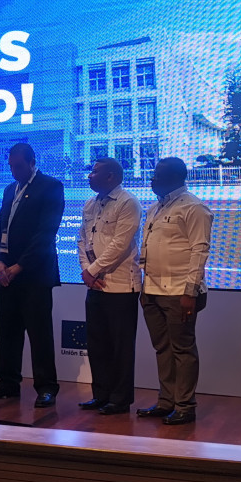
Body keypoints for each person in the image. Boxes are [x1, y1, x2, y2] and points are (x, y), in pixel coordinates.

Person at [0, 143, 65, 409]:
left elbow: (46, 233)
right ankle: (7, 382)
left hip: (34, 275)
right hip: (6, 273)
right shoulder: (10, 189)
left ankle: (46, 387)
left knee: (39, 334)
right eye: (11, 166)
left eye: (18, 166)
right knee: (7, 331)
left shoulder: (50, 186)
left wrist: (19, 267)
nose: (14, 171)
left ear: (32, 162)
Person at [136, 157, 212, 426]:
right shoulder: (155, 207)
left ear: (175, 177)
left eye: (158, 174)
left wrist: (190, 292)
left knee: (182, 349)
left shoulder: (194, 207)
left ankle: (185, 406)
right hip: (151, 289)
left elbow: (199, 250)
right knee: (162, 348)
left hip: (180, 292)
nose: (152, 178)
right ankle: (166, 401)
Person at [76, 158, 142, 416]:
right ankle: (100, 395)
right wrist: (87, 271)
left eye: (94, 172)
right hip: (95, 285)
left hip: (121, 286)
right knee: (97, 344)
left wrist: (91, 271)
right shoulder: (90, 203)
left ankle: (120, 399)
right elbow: (82, 239)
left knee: (120, 347)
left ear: (111, 176)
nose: (89, 176)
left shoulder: (128, 202)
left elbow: (120, 245)